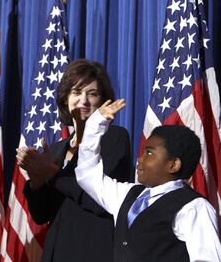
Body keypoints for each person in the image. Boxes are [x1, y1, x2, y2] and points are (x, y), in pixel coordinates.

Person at [75, 101, 221, 262]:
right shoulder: (128, 195)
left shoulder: (193, 207)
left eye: (149, 153)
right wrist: (94, 124)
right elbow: (88, 174)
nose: (140, 159)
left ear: (173, 165)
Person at [16, 59, 133, 261]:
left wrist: (52, 173)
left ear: (104, 100)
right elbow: (41, 214)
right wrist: (36, 180)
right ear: (65, 99)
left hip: (94, 249)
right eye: (77, 92)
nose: (84, 101)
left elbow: (100, 201)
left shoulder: (115, 138)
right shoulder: (56, 148)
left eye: (92, 93)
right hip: (57, 251)